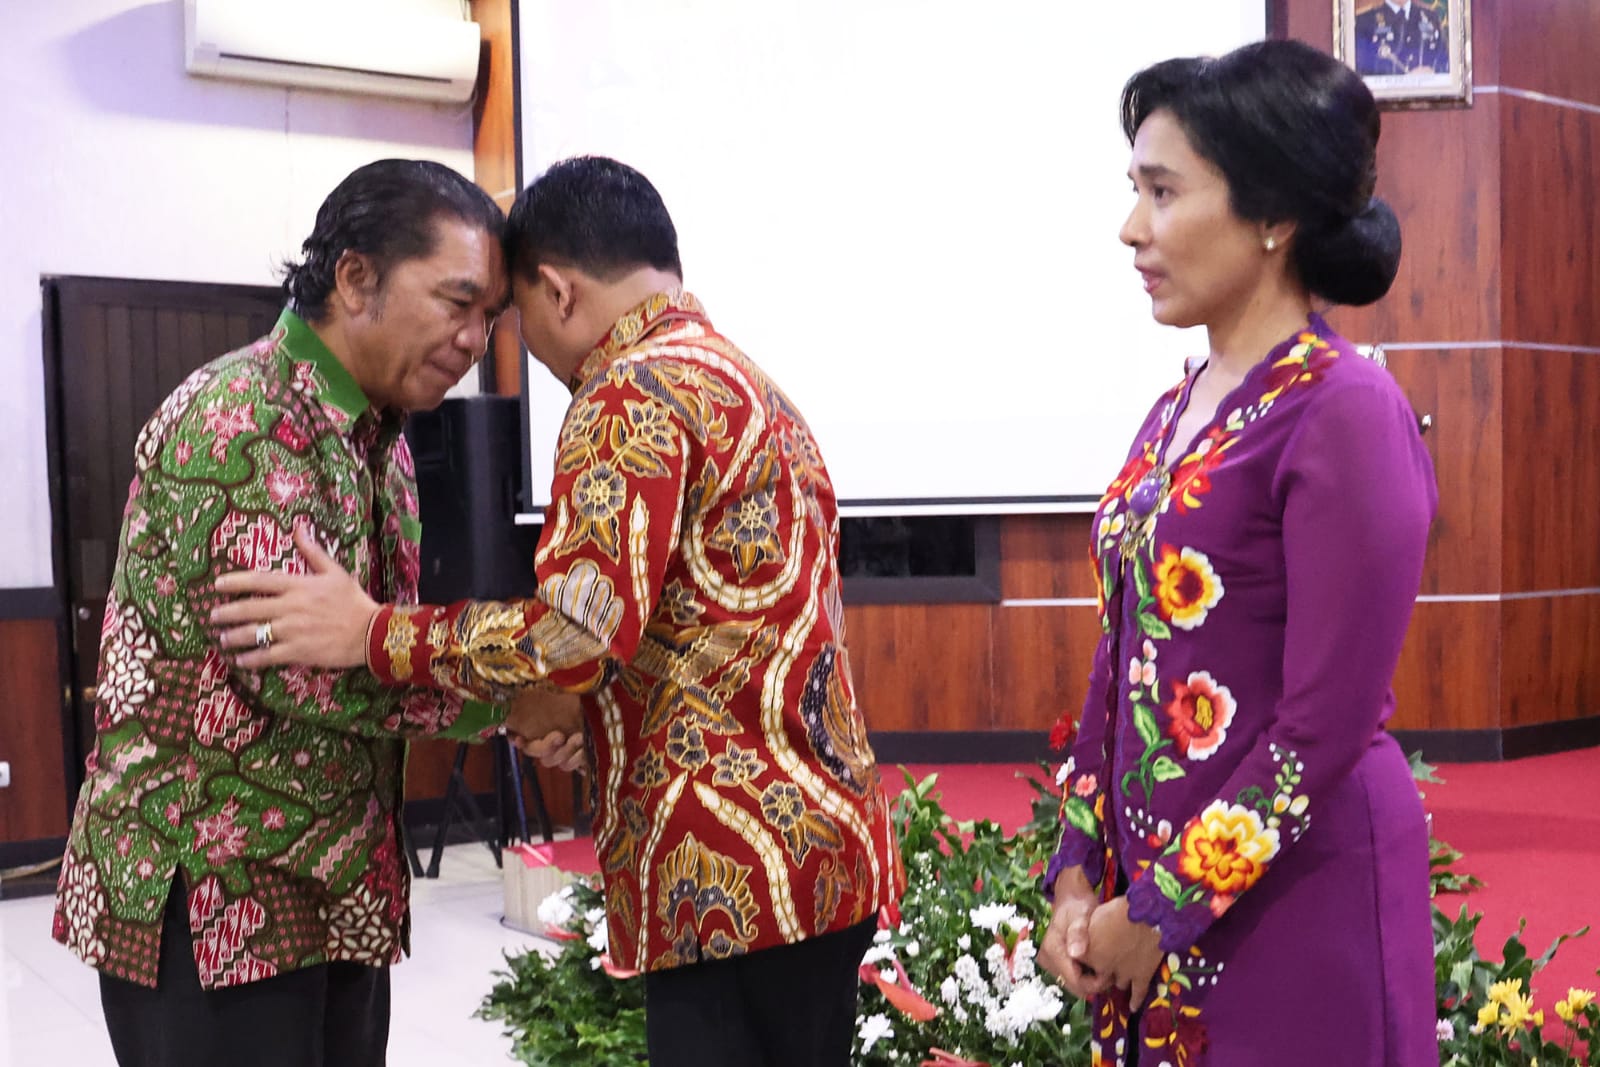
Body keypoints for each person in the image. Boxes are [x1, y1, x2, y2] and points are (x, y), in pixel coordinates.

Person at [209, 155, 906, 1067]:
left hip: (728, 871)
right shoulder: (748, 384)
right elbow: (709, 631)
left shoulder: (628, 392)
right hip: (822, 854)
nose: (489, 341)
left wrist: (372, 632)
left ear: (559, 290)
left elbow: (576, 636)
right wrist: (600, 715)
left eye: (502, 313)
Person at [52, 158, 534, 1067]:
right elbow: (303, 671)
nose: (476, 339)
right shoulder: (240, 420)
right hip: (214, 895)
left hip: (334, 885)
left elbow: (367, 639)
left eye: (490, 316)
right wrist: (516, 699)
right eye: (457, 302)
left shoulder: (381, 439)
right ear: (355, 278)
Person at [1033, 41, 1437, 1066]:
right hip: (1151, 905)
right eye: (1134, 190)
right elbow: (1118, 658)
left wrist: (1158, 906)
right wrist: (1077, 871)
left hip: (1296, 901)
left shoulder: (1345, 410)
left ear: (1271, 216)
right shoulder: (1173, 411)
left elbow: (1323, 725)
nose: (1132, 228)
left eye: (1162, 192)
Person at [1354, 0, 1449, 75]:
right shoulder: (1365, 20)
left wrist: (1432, 73)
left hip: (1428, 90)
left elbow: (1444, 61)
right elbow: (1362, 68)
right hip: (1385, 92)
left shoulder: (1431, 17)